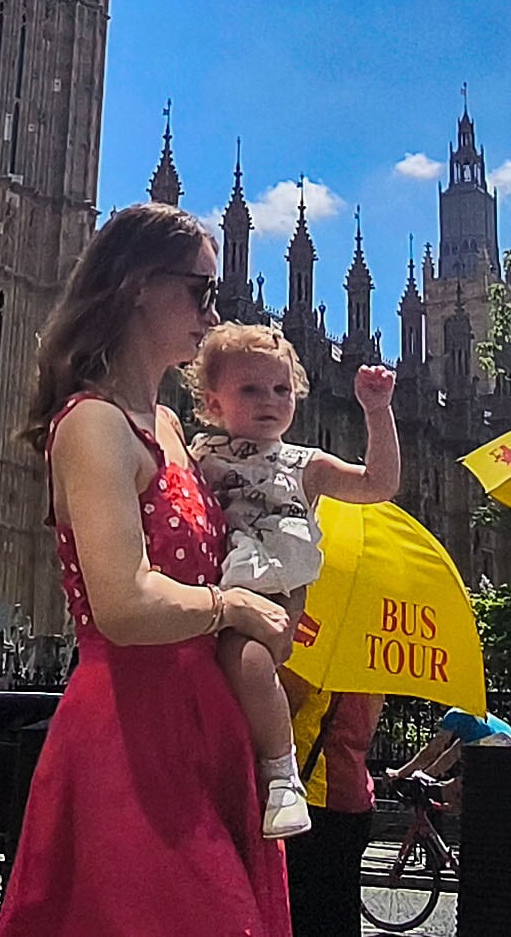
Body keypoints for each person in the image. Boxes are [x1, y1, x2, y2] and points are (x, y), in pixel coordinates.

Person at [0, 204, 294, 937]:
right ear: (135, 285)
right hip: (129, 731)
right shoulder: (94, 423)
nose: (212, 311)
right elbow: (123, 603)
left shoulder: (169, 428)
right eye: (199, 290)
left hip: (203, 725)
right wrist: (234, 608)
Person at [184, 321, 400, 837]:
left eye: (282, 390)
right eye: (251, 389)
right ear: (213, 404)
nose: (270, 400)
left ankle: (282, 773)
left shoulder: (306, 465)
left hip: (268, 592)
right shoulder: (202, 457)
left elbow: (379, 484)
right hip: (213, 591)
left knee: (251, 659)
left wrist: (377, 412)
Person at [283, 691, 385, 937]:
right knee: (341, 903)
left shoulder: (314, 667)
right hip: (356, 795)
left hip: (316, 793)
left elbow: (282, 713)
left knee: (303, 906)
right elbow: (368, 732)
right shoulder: (372, 676)